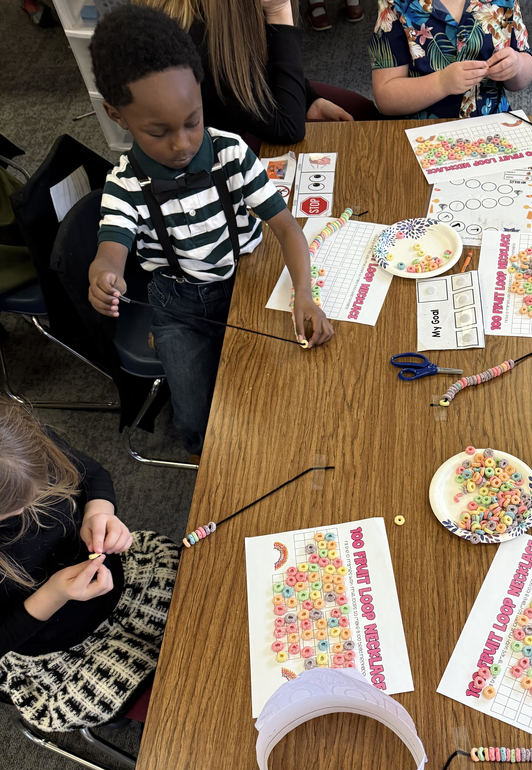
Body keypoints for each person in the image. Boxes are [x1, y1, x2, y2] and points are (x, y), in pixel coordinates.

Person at [87, 6, 333, 456]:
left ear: (200, 95)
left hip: (246, 282)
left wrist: (304, 294)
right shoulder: (124, 185)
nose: (181, 144)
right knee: (196, 416)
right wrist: (105, 275)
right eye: (158, 132)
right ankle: (209, 458)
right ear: (117, 116)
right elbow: (111, 249)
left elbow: (286, 228)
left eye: (192, 121)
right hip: (179, 307)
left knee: (283, 390)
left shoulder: (231, 152)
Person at [0, 400, 178, 733]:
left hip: (125, 583)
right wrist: (55, 592)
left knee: (203, 605)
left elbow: (93, 475)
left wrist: (99, 514)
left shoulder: (26, 447)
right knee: (168, 693)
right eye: (12, 513)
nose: (32, 509)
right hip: (58, 645)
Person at [139, 0, 375, 145]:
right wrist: (280, 11)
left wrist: (309, 99)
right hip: (218, 145)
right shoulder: (197, 37)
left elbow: (260, 62)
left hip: (247, 88)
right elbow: (288, 130)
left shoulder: (227, 12)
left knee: (362, 111)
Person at [369, 0, 532, 120]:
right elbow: (385, 97)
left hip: (489, 123)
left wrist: (517, 65)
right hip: (422, 133)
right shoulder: (396, 5)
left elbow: (522, 77)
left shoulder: (504, 2)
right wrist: (442, 83)